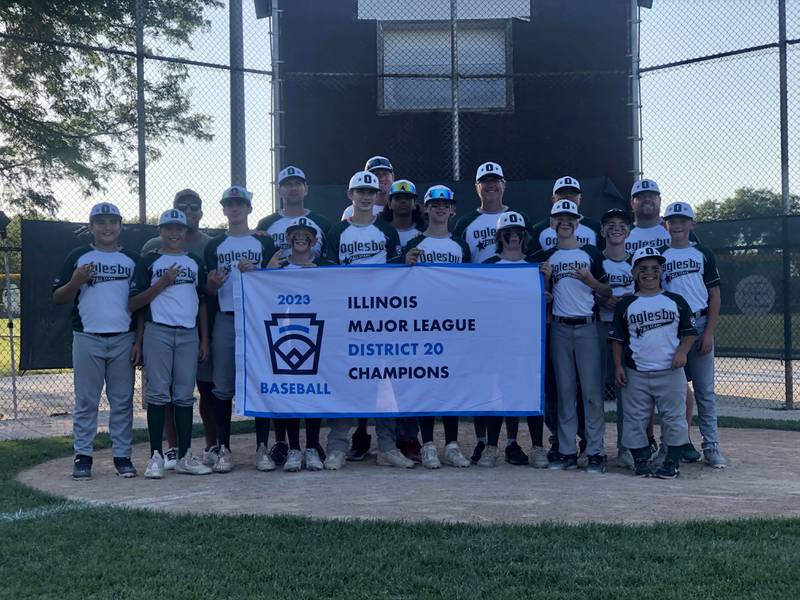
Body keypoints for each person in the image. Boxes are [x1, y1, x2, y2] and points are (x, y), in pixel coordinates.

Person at [323, 170, 410, 470]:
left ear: (377, 197)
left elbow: (397, 276)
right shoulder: (337, 231)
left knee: (386, 383)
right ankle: (337, 447)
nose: (365, 196)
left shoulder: (386, 230)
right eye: (359, 191)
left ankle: (387, 446)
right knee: (346, 378)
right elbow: (327, 276)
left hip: (381, 317)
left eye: (370, 192)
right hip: (348, 317)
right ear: (350, 195)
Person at [52, 202, 140, 480]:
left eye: (112, 222)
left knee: (122, 401)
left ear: (120, 226)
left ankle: (122, 456)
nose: (107, 227)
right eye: (101, 222)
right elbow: (58, 297)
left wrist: (138, 340)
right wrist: (76, 280)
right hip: (87, 336)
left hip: (123, 338)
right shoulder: (79, 256)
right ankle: (83, 456)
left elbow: (139, 304)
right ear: (91, 227)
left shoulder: (131, 259)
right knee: (87, 401)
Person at [453, 161, 534, 463]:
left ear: (503, 185)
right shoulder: (465, 223)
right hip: (481, 309)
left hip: (514, 312)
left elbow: (531, 257)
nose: (490, 186)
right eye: (484, 181)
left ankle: (512, 441)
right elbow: (460, 267)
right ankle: (483, 441)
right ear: (476, 187)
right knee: (482, 379)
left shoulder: (519, 218)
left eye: (495, 180)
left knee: (512, 379)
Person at [255, 165, 331, 466]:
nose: (292, 188)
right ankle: (287, 446)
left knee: (312, 383)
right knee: (285, 383)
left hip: (315, 321)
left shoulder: (322, 226)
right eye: (287, 183)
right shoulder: (266, 224)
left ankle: (312, 445)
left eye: (298, 183)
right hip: (283, 321)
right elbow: (259, 277)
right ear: (279, 189)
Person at [130, 209, 212, 478]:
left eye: (179, 228)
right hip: (158, 331)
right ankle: (156, 455)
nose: (174, 233)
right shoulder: (150, 261)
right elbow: (135, 304)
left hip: (188, 334)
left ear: (186, 232)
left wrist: (203, 338)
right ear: (160, 231)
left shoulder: (195, 262)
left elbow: (201, 302)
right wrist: (163, 283)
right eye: (168, 228)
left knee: (184, 396)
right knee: (157, 395)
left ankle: (185, 455)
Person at [204, 186, 277, 473]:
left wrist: (257, 274)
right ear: (223, 209)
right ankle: (224, 448)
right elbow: (208, 290)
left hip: (257, 318)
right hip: (226, 317)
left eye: (239, 204)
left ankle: (262, 447)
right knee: (222, 385)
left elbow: (276, 283)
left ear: (248, 208)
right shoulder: (215, 245)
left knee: (258, 381)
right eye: (229, 204)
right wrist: (213, 286)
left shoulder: (263, 242)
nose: (234, 209)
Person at [609, 246, 698, 478]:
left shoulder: (675, 300)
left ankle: (671, 462)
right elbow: (617, 339)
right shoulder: (626, 304)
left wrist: (682, 352)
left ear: (661, 271)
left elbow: (690, 331)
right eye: (643, 268)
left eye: (654, 268)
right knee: (634, 418)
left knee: (674, 418)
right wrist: (618, 365)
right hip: (636, 371)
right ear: (634, 273)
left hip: (670, 370)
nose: (649, 273)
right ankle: (641, 461)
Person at [402, 185, 472, 469]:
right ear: (426, 209)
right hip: (422, 324)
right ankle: (428, 444)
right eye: (435, 204)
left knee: (451, 384)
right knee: (426, 382)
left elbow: (470, 284)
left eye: (446, 204)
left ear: (452, 210)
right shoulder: (415, 244)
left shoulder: (460, 246)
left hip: (453, 323)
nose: (441, 208)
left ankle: (452, 444)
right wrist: (402, 263)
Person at [540, 200, 611, 473]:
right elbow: (544, 295)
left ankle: (595, 451)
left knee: (592, 392)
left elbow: (607, 292)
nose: (564, 222)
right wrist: (546, 285)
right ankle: (567, 450)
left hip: (586, 327)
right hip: (559, 327)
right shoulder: (547, 256)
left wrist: (590, 281)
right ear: (552, 223)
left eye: (570, 218)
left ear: (577, 223)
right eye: (559, 218)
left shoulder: (590, 253)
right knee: (565, 391)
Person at [660, 201, 727, 468]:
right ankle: (671, 445)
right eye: (672, 220)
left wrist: (709, 332)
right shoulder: (660, 255)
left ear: (691, 225)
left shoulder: (702, 252)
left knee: (705, 392)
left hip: (699, 327)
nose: (677, 225)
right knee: (672, 394)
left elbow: (715, 295)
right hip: (672, 330)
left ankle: (710, 445)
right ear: (666, 224)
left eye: (682, 220)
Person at [265, 217, 334, 472]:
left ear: (314, 240)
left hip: (317, 333)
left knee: (313, 392)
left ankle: (313, 447)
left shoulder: (324, 269)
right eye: (295, 234)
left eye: (306, 234)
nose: (301, 238)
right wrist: (267, 270)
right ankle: (294, 448)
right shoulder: (279, 267)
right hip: (287, 334)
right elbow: (260, 290)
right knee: (291, 392)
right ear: (289, 239)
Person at [482, 211, 550, 469]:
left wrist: (548, 286)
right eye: (508, 234)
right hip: (498, 340)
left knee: (532, 392)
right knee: (496, 394)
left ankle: (537, 447)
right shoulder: (489, 266)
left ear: (524, 237)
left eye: (518, 234)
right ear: (500, 237)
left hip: (528, 341)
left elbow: (547, 301)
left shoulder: (536, 266)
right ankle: (491, 446)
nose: (513, 238)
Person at [383, 178, 426, 462]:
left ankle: (410, 436)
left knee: (414, 376)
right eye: (397, 197)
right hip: (383, 312)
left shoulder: (423, 234)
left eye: (407, 198)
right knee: (384, 379)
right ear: (389, 202)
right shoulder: (381, 232)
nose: (402, 202)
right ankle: (384, 440)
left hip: (418, 312)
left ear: (414, 203)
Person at [596, 208, 636, 469]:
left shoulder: (636, 261)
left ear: (628, 230)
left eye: (621, 224)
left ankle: (626, 448)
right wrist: (601, 297)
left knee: (628, 391)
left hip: (629, 331)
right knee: (594, 390)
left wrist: (623, 303)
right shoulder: (594, 259)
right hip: (599, 326)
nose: (616, 228)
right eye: (610, 224)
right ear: (602, 231)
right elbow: (581, 291)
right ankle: (595, 447)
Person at [530, 176, 602, 252]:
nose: (568, 195)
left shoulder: (596, 228)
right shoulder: (539, 229)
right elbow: (532, 259)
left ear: (580, 199)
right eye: (562, 192)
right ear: (553, 199)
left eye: (573, 192)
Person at [341, 156, 395, 220]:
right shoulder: (351, 212)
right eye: (376, 174)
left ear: (393, 177)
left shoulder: (401, 209)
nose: (382, 178)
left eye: (385, 174)